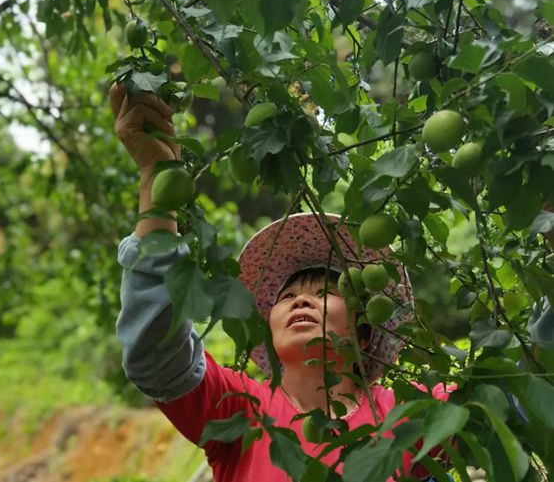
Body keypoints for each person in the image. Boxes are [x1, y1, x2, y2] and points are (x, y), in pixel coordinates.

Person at [109, 82, 554, 481]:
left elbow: (519, 391)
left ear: (362, 329)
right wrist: (155, 183)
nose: (302, 301)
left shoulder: (409, 413)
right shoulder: (242, 410)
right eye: (288, 296)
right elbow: (158, 354)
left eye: (326, 293)